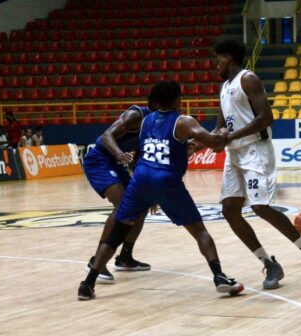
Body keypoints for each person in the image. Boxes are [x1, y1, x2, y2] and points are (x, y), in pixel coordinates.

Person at [78, 81, 244, 300]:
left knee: (118, 230)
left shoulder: (146, 121)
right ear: (178, 100)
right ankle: (219, 277)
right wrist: (223, 132)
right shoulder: (183, 121)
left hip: (142, 178)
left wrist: (150, 193)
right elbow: (213, 141)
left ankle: (88, 283)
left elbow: (162, 150)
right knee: (199, 230)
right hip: (162, 179)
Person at [213, 40, 301, 289]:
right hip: (234, 155)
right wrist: (208, 140)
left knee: (261, 206)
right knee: (229, 210)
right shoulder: (223, 87)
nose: (216, 64)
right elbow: (221, 126)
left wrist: (229, 137)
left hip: (255, 151)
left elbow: (267, 118)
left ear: (229, 58)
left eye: (219, 58)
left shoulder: (248, 79)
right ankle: (269, 263)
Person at [82, 103, 156, 283]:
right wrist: (119, 154)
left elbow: (140, 158)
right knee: (122, 205)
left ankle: (125, 257)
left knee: (140, 206)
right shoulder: (136, 115)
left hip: (116, 162)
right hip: (100, 160)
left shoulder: (155, 125)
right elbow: (106, 136)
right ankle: (96, 261)